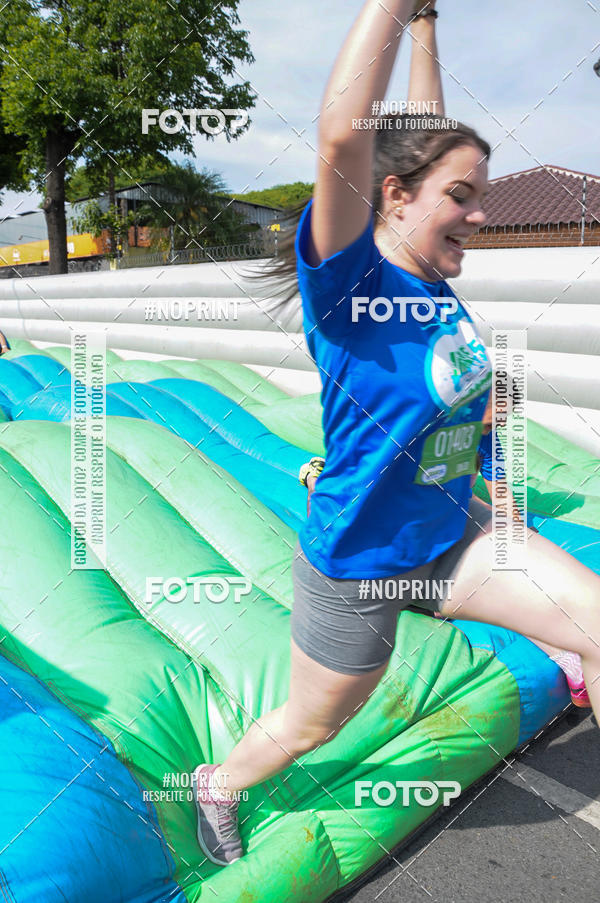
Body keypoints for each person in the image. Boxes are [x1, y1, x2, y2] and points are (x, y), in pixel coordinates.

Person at [192, 0, 600, 866]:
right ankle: (219, 782)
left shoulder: (434, 289)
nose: (480, 216)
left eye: (480, 196)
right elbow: (346, 138)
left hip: (451, 539)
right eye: (462, 197)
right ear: (394, 197)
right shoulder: (348, 287)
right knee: (315, 721)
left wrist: (425, 26)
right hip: (360, 566)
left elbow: (417, 138)